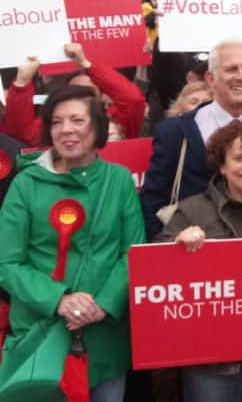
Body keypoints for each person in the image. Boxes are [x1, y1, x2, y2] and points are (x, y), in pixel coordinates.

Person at [0, 85, 145, 400]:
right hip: (43, 338)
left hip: (105, 336)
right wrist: (59, 300)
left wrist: (103, 305)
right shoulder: (25, 184)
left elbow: (132, 252)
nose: (66, 129)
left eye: (77, 120)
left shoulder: (119, 180)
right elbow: (7, 263)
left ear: (97, 127)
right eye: (56, 121)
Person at [154, 120, 242, 402]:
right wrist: (177, 242)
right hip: (209, 365)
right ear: (222, 166)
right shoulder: (192, 209)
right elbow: (155, 263)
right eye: (240, 158)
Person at [141, 38, 242, 240]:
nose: (241, 77)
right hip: (191, 254)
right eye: (232, 69)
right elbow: (154, 199)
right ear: (211, 78)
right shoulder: (174, 132)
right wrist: (167, 248)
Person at [3, 44, 146, 147]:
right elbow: (22, 131)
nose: (80, 96)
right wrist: (21, 83)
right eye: (75, 91)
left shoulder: (117, 122)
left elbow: (134, 100)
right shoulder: (56, 126)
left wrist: (87, 64)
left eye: (88, 91)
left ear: (100, 97)